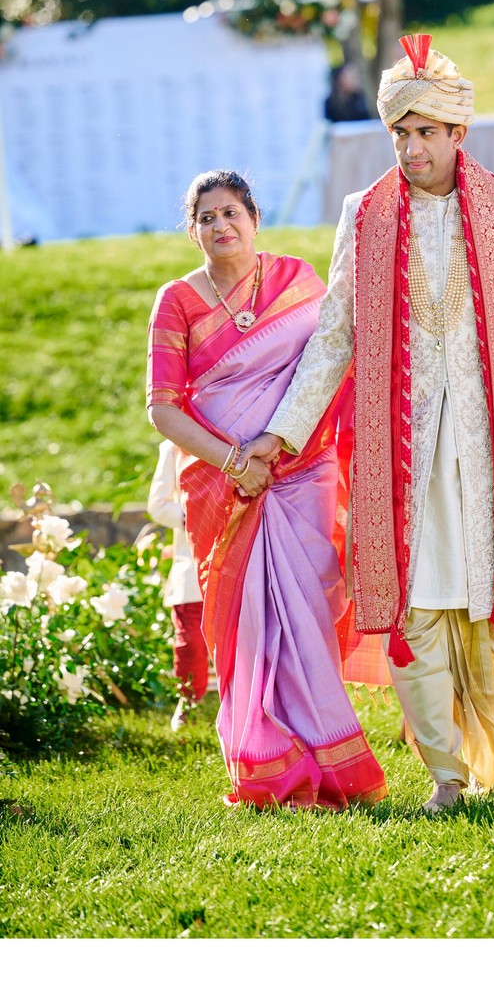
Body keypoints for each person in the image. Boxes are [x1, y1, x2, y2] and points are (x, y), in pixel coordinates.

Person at [243, 34, 494, 813]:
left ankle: (487, 736)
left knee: (491, 608)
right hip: (395, 449)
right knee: (413, 602)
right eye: (399, 133)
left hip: (489, 444)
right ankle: (444, 773)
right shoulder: (362, 215)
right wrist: (285, 431)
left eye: (425, 132)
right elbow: (336, 333)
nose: (410, 147)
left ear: (458, 134)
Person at [146, 169, 387, 810]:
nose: (220, 226)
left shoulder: (298, 282)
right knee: (246, 624)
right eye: (206, 217)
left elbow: (328, 368)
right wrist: (232, 461)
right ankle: (265, 761)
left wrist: (276, 447)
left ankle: (328, 756)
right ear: (192, 230)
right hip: (222, 487)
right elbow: (163, 409)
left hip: (302, 470)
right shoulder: (178, 301)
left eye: (231, 213)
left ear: (254, 219)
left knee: (305, 609)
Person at [146, 438, 208, 732]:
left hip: (235, 547)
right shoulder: (171, 447)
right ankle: (189, 701)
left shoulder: (239, 429)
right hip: (191, 557)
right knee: (190, 640)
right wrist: (195, 516)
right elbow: (158, 505)